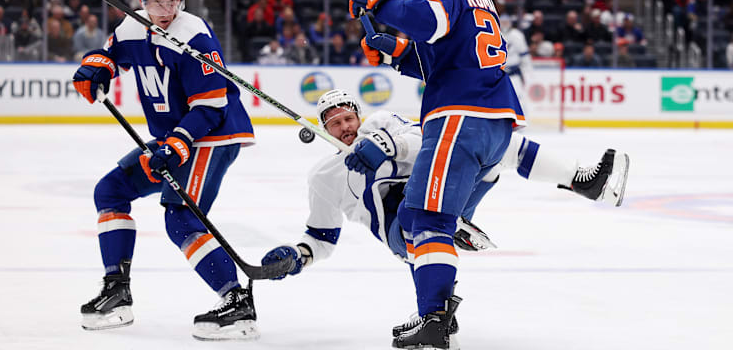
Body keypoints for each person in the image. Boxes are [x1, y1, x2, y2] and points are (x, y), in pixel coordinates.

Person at [348, 0, 610, 349]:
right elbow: (443, 59)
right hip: (493, 121)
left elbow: (425, 21)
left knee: (430, 222)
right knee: (418, 218)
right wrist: (394, 53)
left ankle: (433, 317)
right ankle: (436, 308)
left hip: (459, 119)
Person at [260, 89, 629, 347]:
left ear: (359, 115)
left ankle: (585, 181)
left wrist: (387, 144)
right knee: (414, 214)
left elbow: (434, 140)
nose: (345, 127)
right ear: (324, 130)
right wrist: (297, 257)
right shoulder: (325, 175)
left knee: (493, 141)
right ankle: (440, 297)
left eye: (348, 117)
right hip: (402, 231)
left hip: (444, 196)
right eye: (335, 123)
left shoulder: (382, 124)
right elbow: (321, 238)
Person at [72, 0, 258, 341]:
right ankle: (117, 291)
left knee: (180, 218)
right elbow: (110, 55)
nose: (166, 11)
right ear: (143, 1)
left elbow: (211, 106)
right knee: (110, 192)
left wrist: (175, 145)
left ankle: (237, 301)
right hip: (176, 136)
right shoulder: (130, 25)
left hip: (212, 136)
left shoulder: (195, 36)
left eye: (173, 0)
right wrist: (95, 71)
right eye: (157, 3)